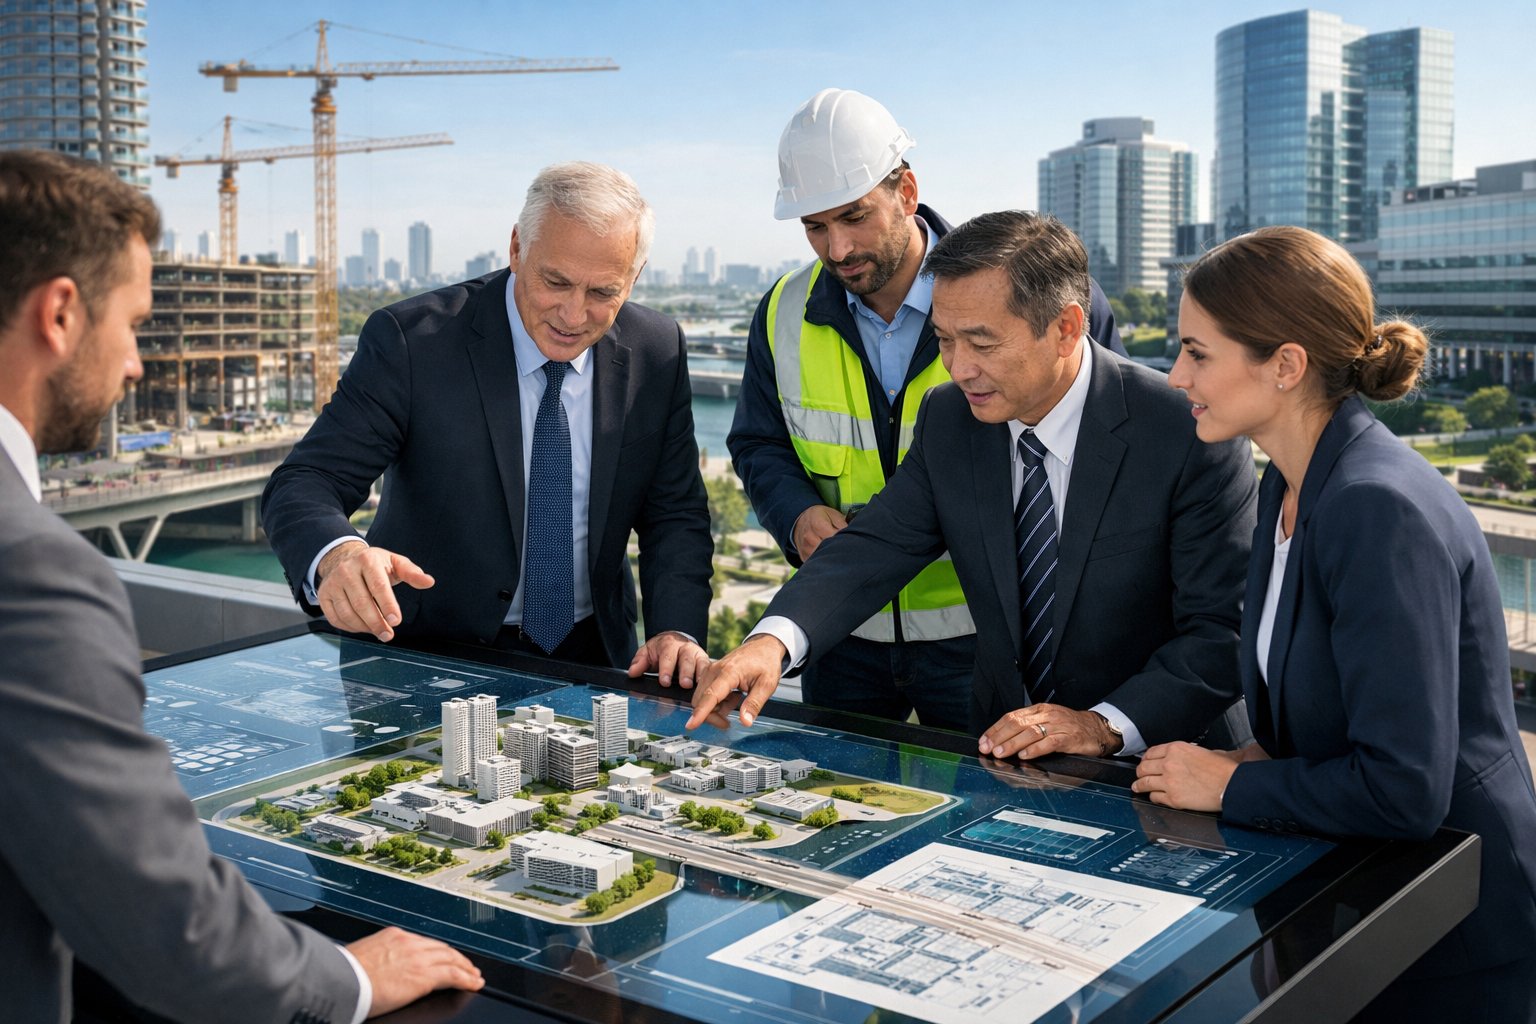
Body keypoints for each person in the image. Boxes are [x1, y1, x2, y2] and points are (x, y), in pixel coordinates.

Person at [0, 149, 483, 1023]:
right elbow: (165, 925)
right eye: (135, 323)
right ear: (62, 314)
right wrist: (356, 978)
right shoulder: (32, 573)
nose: (138, 364)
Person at [1132, 225, 1536, 1021]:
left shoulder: (1373, 507)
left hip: (1451, 932)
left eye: (1197, 353)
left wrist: (1231, 781)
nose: (1176, 375)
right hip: (1371, 897)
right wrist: (1257, 752)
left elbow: (1404, 788)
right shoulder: (1288, 487)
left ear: (1285, 365)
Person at [692, 211, 1256, 761]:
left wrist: (1103, 725)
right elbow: (876, 546)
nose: (958, 369)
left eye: (982, 344)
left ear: (1066, 328)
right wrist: (772, 643)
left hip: (1165, 764)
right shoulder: (951, 416)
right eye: (944, 340)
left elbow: (1222, 634)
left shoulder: (1188, 432)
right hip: (1003, 759)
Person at [728, 88, 1124, 731]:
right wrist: (795, 515)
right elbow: (758, 443)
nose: (836, 248)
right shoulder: (781, 312)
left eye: (854, 216)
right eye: (815, 226)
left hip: (990, 633)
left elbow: (1112, 454)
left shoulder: (1034, 294)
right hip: (842, 628)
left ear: (906, 192)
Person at [262, 162, 713, 685]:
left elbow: (674, 512)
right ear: (517, 248)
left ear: (634, 278)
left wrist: (677, 631)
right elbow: (304, 482)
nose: (572, 314)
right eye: (556, 281)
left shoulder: (656, 350)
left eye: (602, 293)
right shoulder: (412, 342)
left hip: (595, 657)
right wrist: (339, 554)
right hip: (423, 656)